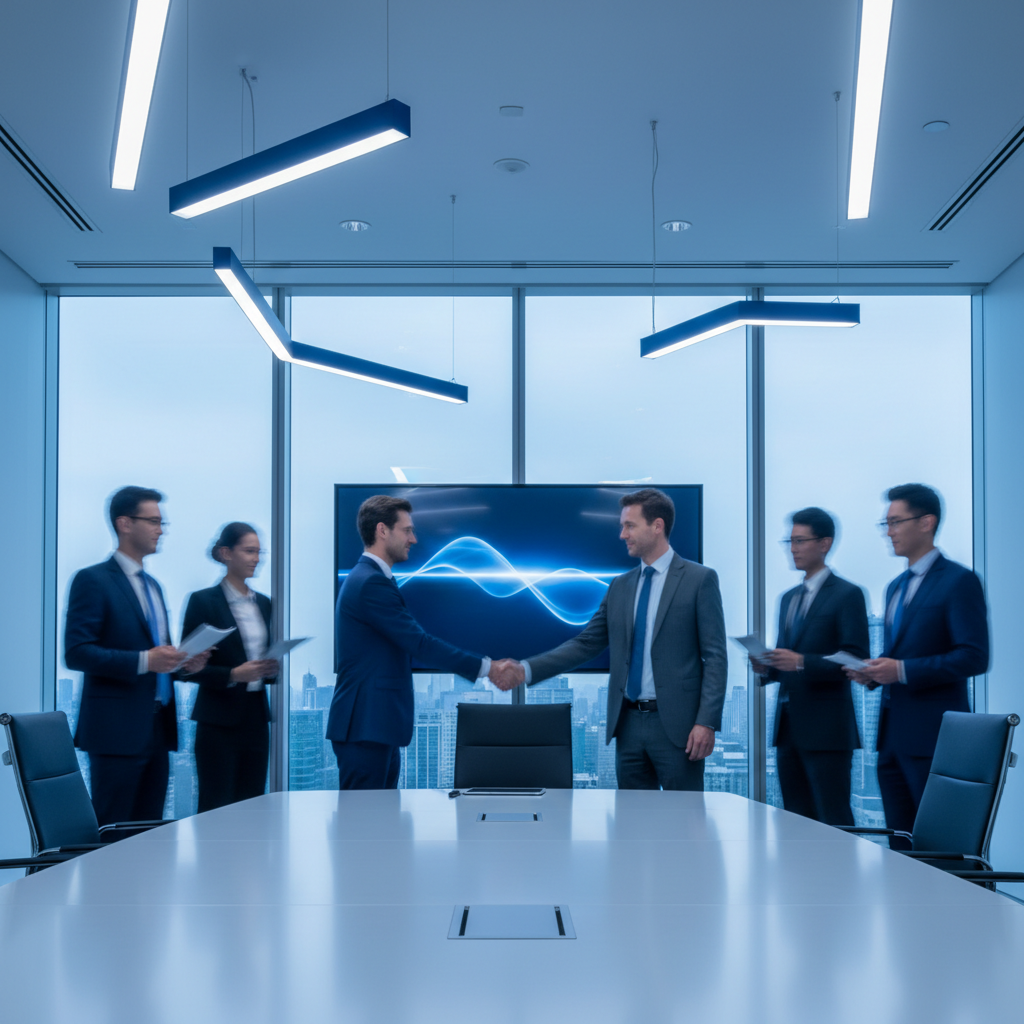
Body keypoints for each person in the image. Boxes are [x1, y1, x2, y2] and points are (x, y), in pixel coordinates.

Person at [492, 487, 727, 791]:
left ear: (657, 526)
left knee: (682, 825)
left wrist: (706, 722)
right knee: (631, 828)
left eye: (630, 525)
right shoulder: (620, 586)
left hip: (679, 729)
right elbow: (586, 643)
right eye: (622, 526)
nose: (622, 534)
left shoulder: (699, 580)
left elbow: (715, 657)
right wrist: (526, 669)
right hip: (627, 726)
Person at [847, 483, 989, 847]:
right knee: (900, 845)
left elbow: (974, 656)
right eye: (886, 524)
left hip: (934, 739)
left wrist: (903, 671)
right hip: (891, 738)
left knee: (940, 848)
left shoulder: (959, 582)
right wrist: (875, 675)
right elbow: (901, 656)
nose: (889, 532)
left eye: (896, 522)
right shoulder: (894, 587)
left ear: (926, 522)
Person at [326, 495, 498, 790]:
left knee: (379, 827)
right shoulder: (371, 583)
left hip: (375, 726)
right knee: (363, 829)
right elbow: (419, 644)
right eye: (407, 530)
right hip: (365, 726)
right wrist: (486, 667)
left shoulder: (374, 578)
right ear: (382, 530)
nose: (414, 539)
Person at [65, 486, 208, 825]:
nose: (161, 529)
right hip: (116, 733)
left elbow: (162, 656)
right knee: (113, 834)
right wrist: (146, 661)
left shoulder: (154, 586)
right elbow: (77, 653)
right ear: (125, 524)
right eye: (154, 521)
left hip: (157, 729)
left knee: (149, 835)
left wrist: (184, 665)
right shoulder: (93, 581)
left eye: (162, 523)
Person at [753, 507, 868, 826]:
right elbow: (785, 660)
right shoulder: (788, 599)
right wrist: (767, 667)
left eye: (801, 541)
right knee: (794, 821)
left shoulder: (848, 595)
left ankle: (841, 878)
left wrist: (802, 662)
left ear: (825, 543)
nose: (793, 548)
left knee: (833, 820)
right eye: (789, 541)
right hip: (788, 729)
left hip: (828, 730)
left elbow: (856, 658)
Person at [179, 523, 278, 813]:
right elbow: (186, 668)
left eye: (259, 552)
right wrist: (233, 675)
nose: (256, 558)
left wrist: (271, 668)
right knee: (216, 806)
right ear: (226, 553)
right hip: (218, 721)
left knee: (252, 806)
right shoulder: (202, 601)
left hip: (255, 719)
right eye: (249, 551)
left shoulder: (264, 604)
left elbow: (262, 659)